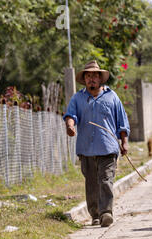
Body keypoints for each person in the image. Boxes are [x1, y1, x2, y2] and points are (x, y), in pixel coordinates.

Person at [63, 60, 130, 227]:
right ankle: (95, 214)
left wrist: (125, 142)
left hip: (108, 147)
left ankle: (106, 212)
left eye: (94, 76)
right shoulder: (78, 98)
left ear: (100, 79)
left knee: (106, 180)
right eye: (88, 76)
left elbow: (122, 122)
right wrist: (70, 126)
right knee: (91, 182)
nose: (91, 79)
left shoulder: (112, 97)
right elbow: (71, 115)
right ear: (84, 79)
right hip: (86, 149)